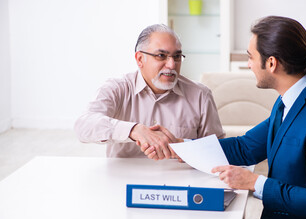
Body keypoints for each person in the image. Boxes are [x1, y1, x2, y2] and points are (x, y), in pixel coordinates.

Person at [143, 16, 306, 219]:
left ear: (272, 63)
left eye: (251, 57)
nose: (248, 64)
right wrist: (181, 146)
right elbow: (246, 147)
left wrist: (254, 182)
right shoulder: (290, 99)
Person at [74, 24, 225, 159]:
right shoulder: (117, 88)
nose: (172, 64)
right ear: (140, 59)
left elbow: (218, 150)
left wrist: (184, 149)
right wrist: (133, 130)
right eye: (161, 56)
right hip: (123, 182)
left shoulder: (200, 95)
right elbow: (84, 125)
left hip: (181, 183)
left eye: (177, 56)